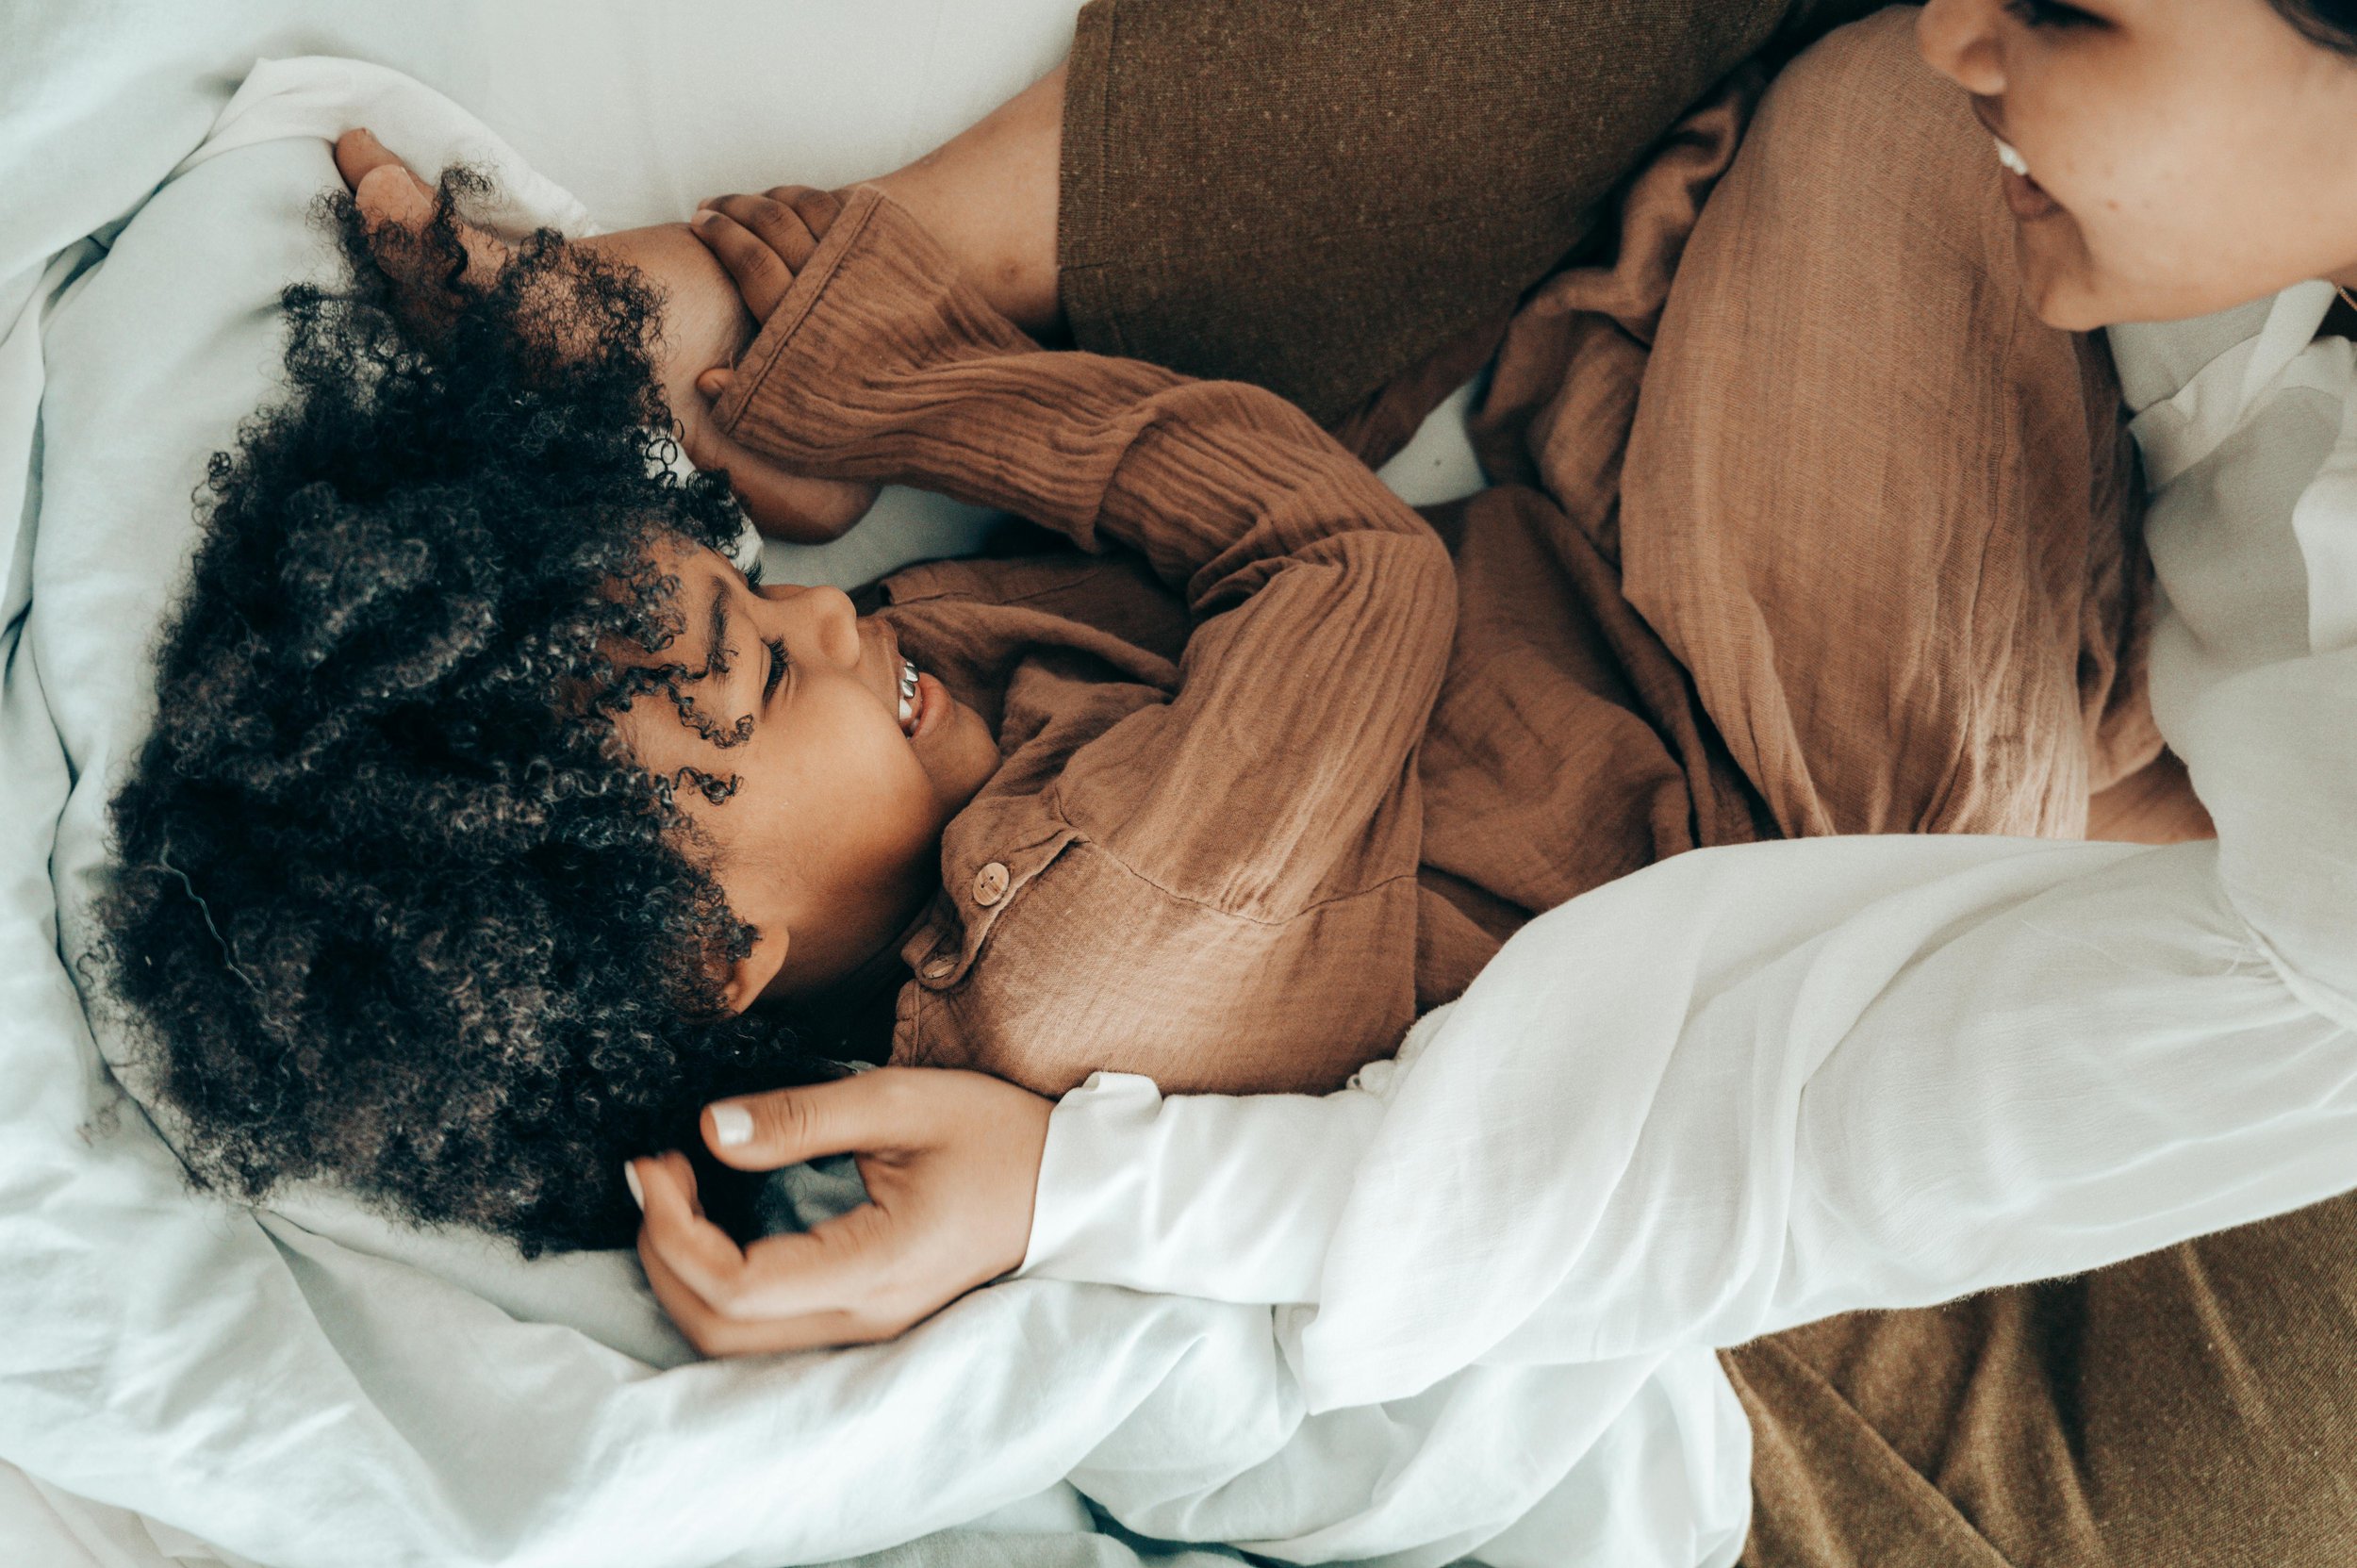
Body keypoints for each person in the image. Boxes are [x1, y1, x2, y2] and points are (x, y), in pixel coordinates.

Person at [629, 1, 2357, 1564]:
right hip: (1754, 767)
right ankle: (2108, 749)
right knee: (1884, 114)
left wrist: (910, 398)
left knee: (1872, 120)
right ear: (724, 963)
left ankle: (2113, 738)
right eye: (764, 663)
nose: (817, 614)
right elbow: (1334, 562)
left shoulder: (915, 771)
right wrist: (922, 393)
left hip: (1643, 646)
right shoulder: (1075, 925)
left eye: (2070, 14)